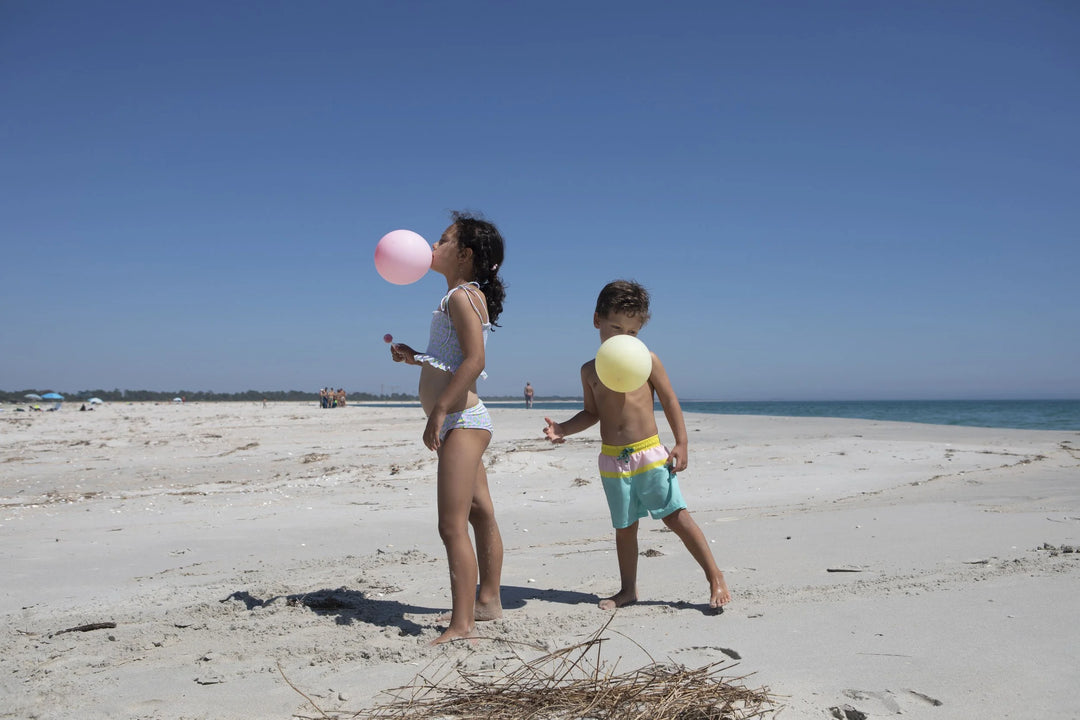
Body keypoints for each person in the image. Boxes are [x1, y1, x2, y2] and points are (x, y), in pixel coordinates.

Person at [543, 280, 731, 612]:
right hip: (613, 460)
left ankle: (715, 576)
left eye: (632, 332)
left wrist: (682, 442)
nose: (623, 338)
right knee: (625, 527)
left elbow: (670, 401)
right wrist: (563, 429)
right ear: (597, 320)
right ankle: (628, 589)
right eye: (616, 328)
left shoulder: (647, 359)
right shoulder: (590, 370)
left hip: (649, 453)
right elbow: (591, 412)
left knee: (676, 517)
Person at [389, 211, 508, 644]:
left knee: (450, 524)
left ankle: (463, 626)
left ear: (466, 254)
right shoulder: (463, 295)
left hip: (462, 420)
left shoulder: (461, 297)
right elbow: (454, 357)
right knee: (479, 512)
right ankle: (488, 601)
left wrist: (438, 411)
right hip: (464, 418)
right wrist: (416, 357)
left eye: (442, 240)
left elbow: (476, 362)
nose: (431, 247)